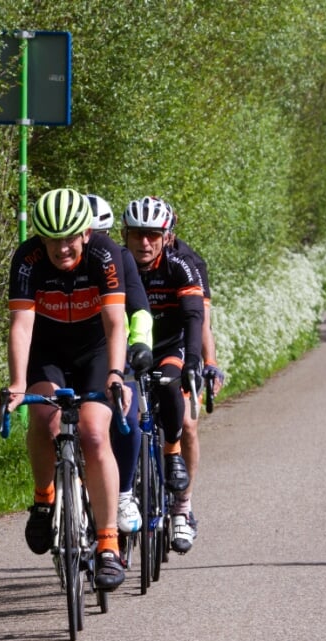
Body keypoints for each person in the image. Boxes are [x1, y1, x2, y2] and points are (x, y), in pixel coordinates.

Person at [0, 187, 131, 590]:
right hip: (49, 350)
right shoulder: (27, 258)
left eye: (69, 237)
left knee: (93, 432)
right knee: (43, 417)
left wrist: (115, 373)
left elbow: (115, 321)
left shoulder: (105, 254)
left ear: (85, 234)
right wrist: (18, 384)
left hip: (94, 351)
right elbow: (21, 326)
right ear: (40, 237)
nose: (61, 247)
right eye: (52, 238)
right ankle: (44, 499)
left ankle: (108, 542)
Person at [121, 196, 205, 553]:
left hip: (170, 348)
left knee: (175, 398)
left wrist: (195, 362)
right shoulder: (117, 264)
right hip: (126, 351)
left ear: (167, 236)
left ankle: (174, 469)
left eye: (153, 235)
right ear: (124, 235)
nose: (145, 243)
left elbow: (194, 317)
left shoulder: (181, 265)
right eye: (138, 235)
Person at [85, 193, 154, 536]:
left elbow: (139, 309)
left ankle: (124, 492)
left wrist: (140, 344)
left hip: (113, 352)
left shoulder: (120, 259)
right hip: (74, 355)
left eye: (98, 234)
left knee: (127, 415)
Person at [160, 198, 224, 554]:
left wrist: (207, 363)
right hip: (140, 349)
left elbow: (200, 322)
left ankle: (183, 505)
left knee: (187, 424)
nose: (149, 240)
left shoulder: (189, 262)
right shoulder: (128, 259)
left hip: (180, 346)